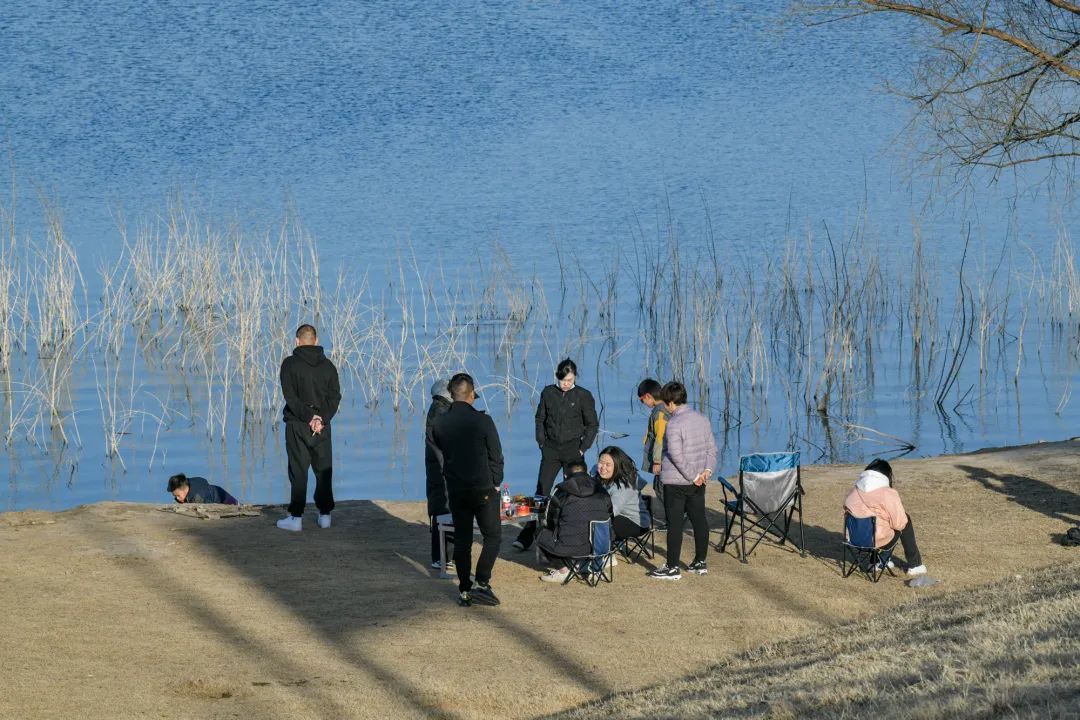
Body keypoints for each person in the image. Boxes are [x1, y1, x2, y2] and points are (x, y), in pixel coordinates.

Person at [431, 373, 504, 607]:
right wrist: (496, 481)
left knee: (463, 540)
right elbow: (496, 455)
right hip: (482, 488)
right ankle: (482, 582)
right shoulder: (483, 421)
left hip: (456, 489)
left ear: (451, 395)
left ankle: (464, 589)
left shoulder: (440, 422)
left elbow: (443, 449)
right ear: (472, 394)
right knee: (492, 535)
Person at [514, 358, 599, 551]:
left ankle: (579, 534)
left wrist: (583, 448)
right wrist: (541, 442)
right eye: (562, 380)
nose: (566, 384)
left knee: (576, 491)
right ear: (557, 377)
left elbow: (592, 425)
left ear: (575, 377)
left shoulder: (583, 395)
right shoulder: (548, 393)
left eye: (569, 380)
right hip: (551, 449)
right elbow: (540, 418)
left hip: (573, 450)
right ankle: (527, 535)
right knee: (542, 492)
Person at [276, 324, 341, 532]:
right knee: (323, 470)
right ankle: (325, 515)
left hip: (298, 425)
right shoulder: (329, 366)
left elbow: (290, 397)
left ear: (297, 341)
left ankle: (296, 517)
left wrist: (309, 417)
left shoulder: (289, 365)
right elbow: (334, 397)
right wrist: (321, 418)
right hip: (322, 426)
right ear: (316, 340)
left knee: (298, 470)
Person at [649, 381, 716, 580]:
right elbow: (711, 449)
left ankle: (672, 567)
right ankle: (700, 562)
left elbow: (676, 456)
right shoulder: (703, 419)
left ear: (670, 402)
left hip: (677, 483)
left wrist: (694, 476)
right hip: (697, 482)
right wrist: (706, 471)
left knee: (675, 524)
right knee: (699, 520)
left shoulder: (674, 424)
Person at [844, 459, 928, 576]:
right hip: (877, 540)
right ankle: (915, 565)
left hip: (854, 539)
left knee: (876, 523)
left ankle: (878, 561)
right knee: (905, 521)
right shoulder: (887, 493)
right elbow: (899, 524)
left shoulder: (855, 490)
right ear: (886, 475)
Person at [537, 459, 613, 583]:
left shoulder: (560, 490)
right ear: (587, 472)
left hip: (569, 547)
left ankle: (563, 571)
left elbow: (549, 520)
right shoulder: (601, 488)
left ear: (565, 475)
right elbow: (610, 514)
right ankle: (585, 564)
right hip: (599, 546)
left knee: (540, 532)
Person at [425, 378, 454, 569]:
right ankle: (441, 558)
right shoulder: (440, 412)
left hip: (439, 469)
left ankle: (446, 557)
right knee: (444, 510)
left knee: (444, 509)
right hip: (442, 470)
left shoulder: (438, 409)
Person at [595, 446, 651, 543]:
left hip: (635, 521)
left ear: (617, 465)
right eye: (601, 462)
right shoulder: (597, 473)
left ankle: (605, 554)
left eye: (608, 464)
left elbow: (610, 511)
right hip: (618, 514)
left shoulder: (623, 486)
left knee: (598, 525)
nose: (603, 467)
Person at [637, 378, 670, 525]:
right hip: (666, 458)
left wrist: (657, 461)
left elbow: (660, 439)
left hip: (663, 459)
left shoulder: (660, 413)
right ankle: (674, 517)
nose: (643, 404)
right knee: (659, 487)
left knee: (662, 489)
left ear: (648, 396)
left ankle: (674, 519)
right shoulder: (665, 407)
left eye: (642, 400)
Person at [167, 474, 238, 505]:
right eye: (175, 496)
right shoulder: (187, 482)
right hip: (218, 491)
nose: (176, 498)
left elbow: (209, 508)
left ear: (185, 490)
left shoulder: (198, 498)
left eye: (178, 495)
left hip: (227, 502)